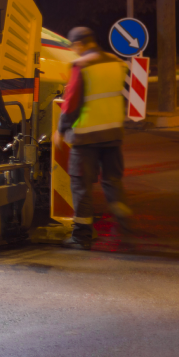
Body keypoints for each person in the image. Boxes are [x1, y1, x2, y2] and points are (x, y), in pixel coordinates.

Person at [58, 26, 134, 250]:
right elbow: (121, 96)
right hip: (113, 134)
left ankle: (81, 236)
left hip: (86, 138)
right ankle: (124, 223)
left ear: (79, 44)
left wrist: (61, 130)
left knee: (81, 185)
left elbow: (71, 103)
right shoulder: (117, 63)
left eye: (74, 47)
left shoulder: (81, 66)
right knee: (112, 182)